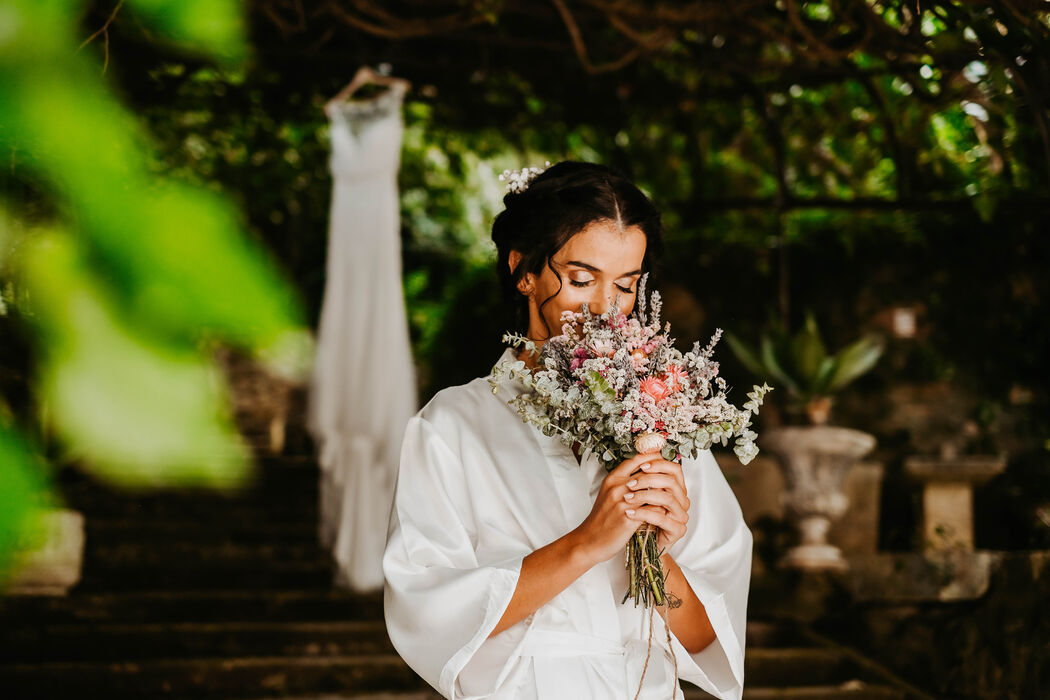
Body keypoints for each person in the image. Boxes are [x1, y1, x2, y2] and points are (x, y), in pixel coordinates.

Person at [383, 161, 753, 700]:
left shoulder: (662, 418)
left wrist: (653, 551)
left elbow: (703, 640)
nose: (606, 310)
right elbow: (427, 615)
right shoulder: (451, 428)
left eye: (626, 286)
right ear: (523, 270)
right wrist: (588, 542)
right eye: (581, 279)